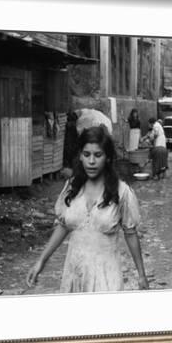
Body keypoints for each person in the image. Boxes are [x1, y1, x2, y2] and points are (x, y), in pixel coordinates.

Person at [26, 126, 149, 293]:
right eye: (86, 155)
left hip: (106, 278)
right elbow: (63, 226)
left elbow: (130, 233)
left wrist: (141, 274)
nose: (91, 161)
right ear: (80, 157)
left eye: (98, 155)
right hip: (74, 274)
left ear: (107, 158)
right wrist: (41, 260)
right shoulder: (72, 187)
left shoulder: (121, 192)